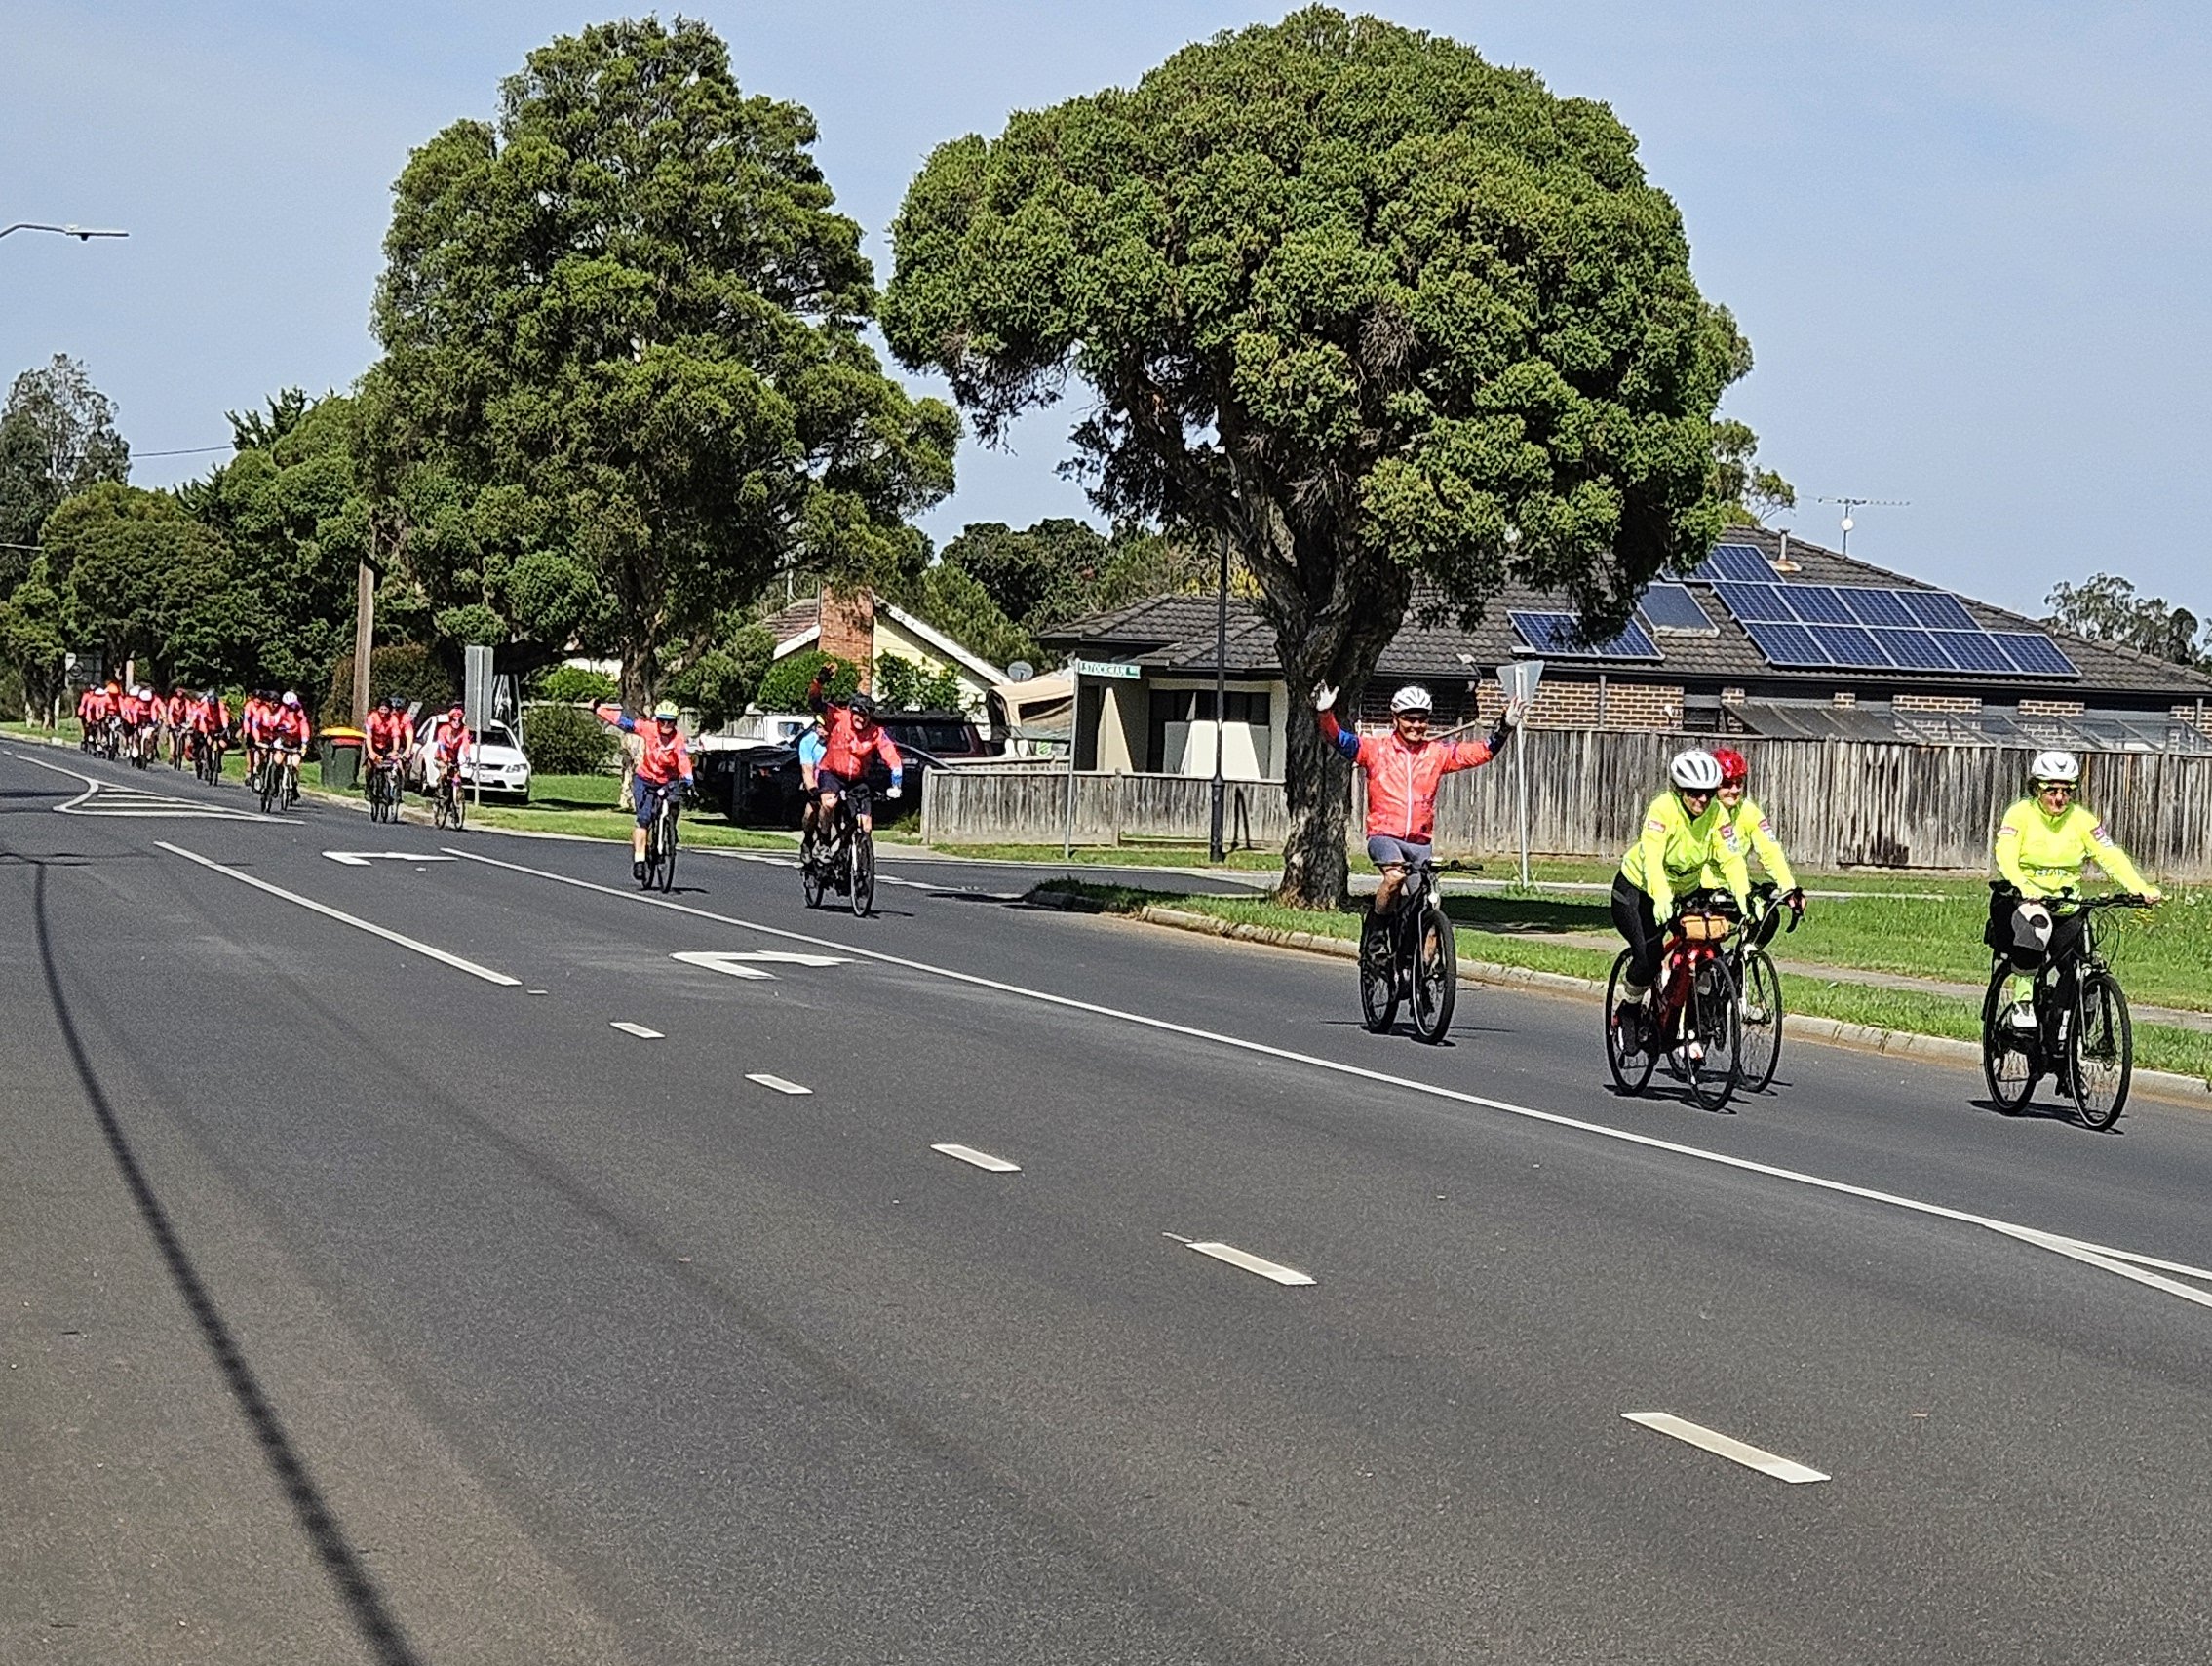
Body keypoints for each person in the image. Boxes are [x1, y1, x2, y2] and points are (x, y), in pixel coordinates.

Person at [1987, 751, 2161, 1031]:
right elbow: (2005, 854)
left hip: (2066, 904)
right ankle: (2023, 1000)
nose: (2059, 798)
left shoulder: (2081, 820)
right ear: (2036, 789)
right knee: (2037, 926)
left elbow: (2109, 855)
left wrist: (2139, 888)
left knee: (2083, 965)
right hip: (2025, 901)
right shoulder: (2020, 814)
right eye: (2051, 790)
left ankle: (2068, 1029)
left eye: (2067, 791)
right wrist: (2023, 885)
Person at [1314, 681, 1521, 917]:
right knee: (1394, 878)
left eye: (1422, 719)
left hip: (1420, 842)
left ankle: (1427, 951)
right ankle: (1377, 938)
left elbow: (1482, 751)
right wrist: (1325, 713)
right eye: (1409, 718)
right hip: (1384, 836)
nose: (1416, 725)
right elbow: (1337, 738)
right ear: (1396, 719)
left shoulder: (1436, 753)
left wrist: (1504, 728)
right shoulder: (1375, 750)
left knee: (1429, 906)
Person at [1611, 749, 1754, 1039]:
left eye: (1708, 793)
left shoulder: (1716, 813)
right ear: (1679, 790)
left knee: (1705, 944)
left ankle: (1688, 1019)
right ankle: (1629, 1007)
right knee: (1649, 959)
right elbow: (1652, 857)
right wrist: (1661, 895)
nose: (1702, 800)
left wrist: (1744, 894)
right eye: (1694, 793)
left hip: (1685, 890)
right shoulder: (1663, 809)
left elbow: (1731, 857)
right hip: (1637, 889)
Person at [594, 699, 694, 879]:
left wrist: (688, 778)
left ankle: (669, 830)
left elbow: (683, 759)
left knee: (674, 801)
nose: (666, 725)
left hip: (667, 779)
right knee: (644, 818)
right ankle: (640, 860)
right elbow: (623, 722)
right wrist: (599, 709)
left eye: (670, 721)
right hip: (645, 778)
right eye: (662, 720)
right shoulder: (648, 729)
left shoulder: (678, 739)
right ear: (657, 720)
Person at [1708, 747, 1806, 924]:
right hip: (1701, 887)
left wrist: (1789, 887)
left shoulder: (1748, 811)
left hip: (1733, 886)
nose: (1735, 789)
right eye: (1728, 784)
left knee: (1768, 917)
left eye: (1739, 783)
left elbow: (1770, 850)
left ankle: (1745, 952)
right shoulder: (1704, 811)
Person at [805, 675, 902, 850]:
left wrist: (896, 782)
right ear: (852, 712)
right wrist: (818, 683)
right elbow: (815, 702)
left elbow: (892, 756)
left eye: (865, 716)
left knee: (865, 826)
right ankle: (824, 841)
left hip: (857, 778)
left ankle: (861, 860)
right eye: (858, 714)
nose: (861, 719)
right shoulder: (838, 717)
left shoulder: (876, 733)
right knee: (828, 804)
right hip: (832, 772)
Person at [365, 695, 412, 802]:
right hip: (373, 744)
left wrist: (396, 751)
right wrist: (371, 752)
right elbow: (368, 736)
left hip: (388, 745)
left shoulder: (397, 719)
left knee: (397, 764)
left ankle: (398, 788)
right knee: (370, 765)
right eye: (393, 709)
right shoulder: (372, 718)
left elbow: (397, 736)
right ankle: (368, 787)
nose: (395, 712)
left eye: (398, 709)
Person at [265, 691, 310, 803]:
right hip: (282, 740)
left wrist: (304, 743)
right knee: (276, 761)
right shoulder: (281, 711)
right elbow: (273, 722)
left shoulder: (300, 713)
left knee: (295, 764)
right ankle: (273, 786)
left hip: (295, 742)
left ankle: (293, 786)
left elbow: (304, 727)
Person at [796, 717, 828, 857]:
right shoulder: (808, 742)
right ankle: (808, 839)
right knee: (811, 812)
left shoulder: (839, 740)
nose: (821, 731)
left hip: (835, 783)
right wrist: (812, 789)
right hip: (816, 782)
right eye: (819, 727)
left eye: (825, 727)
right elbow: (807, 769)